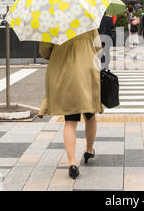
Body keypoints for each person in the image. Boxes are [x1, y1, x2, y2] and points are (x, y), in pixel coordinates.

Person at [39, 29, 103, 180]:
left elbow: (44, 51)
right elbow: (98, 46)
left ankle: (72, 163)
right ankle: (88, 150)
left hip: (64, 73)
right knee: (90, 114)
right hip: (87, 72)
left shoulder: (51, 24)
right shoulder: (87, 22)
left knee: (70, 120)